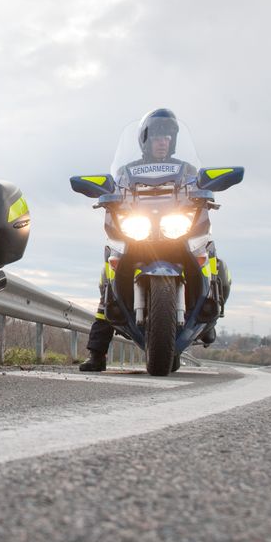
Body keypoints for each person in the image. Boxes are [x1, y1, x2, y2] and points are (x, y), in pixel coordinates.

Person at [79, 108, 219, 372]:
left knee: (209, 254)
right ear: (145, 141)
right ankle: (97, 353)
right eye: (155, 136)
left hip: (175, 229)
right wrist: (103, 192)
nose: (161, 141)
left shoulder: (187, 169)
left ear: (173, 140)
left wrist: (208, 189)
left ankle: (208, 314)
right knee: (108, 276)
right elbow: (112, 188)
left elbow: (201, 186)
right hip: (140, 231)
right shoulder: (126, 172)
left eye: (166, 136)